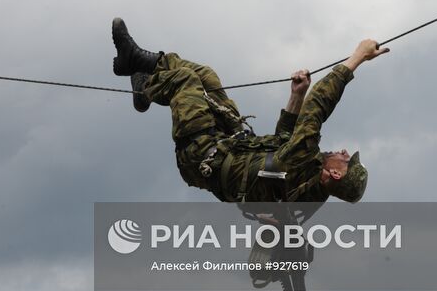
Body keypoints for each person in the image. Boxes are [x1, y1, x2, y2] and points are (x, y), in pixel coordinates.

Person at [111, 17, 389, 203]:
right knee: (207, 76)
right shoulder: (309, 183)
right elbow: (284, 140)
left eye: (346, 159)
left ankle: (139, 70)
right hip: (228, 142)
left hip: (201, 154)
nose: (343, 152)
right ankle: (142, 78)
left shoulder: (305, 165)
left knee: (186, 81)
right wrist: (296, 95)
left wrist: (357, 58)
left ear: (337, 174)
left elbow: (318, 107)